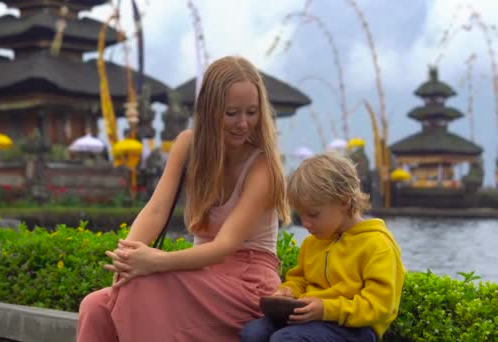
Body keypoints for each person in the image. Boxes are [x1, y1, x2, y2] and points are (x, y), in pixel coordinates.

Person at [77, 55, 290, 341]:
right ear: (211, 110)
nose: (243, 123)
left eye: (251, 112)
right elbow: (155, 211)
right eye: (232, 113)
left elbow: (225, 246)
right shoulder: (187, 145)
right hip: (197, 275)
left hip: (247, 286)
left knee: (143, 286)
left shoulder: (262, 166)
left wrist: (153, 261)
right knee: (94, 306)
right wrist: (127, 258)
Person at [240, 152, 405, 342]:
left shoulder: (377, 245)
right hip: (311, 319)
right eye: (300, 216)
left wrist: (326, 310)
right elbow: (300, 279)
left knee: (286, 340)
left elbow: (379, 307)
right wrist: (289, 291)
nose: (306, 224)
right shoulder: (314, 242)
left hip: (356, 327)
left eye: (313, 214)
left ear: (344, 201)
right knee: (252, 333)